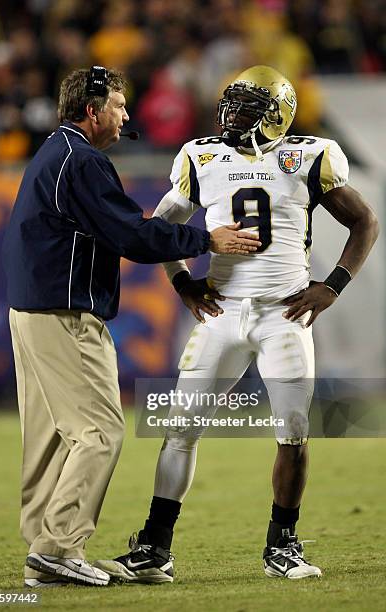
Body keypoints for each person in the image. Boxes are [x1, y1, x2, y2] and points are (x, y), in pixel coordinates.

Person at [95, 65, 379, 582]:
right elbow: (162, 228)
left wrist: (332, 285)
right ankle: (155, 549)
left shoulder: (310, 155)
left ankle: (282, 546)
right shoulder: (200, 155)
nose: (233, 115)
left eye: (248, 106)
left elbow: (365, 220)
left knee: (292, 433)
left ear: (278, 114)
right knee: (181, 428)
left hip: (284, 314)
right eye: (232, 104)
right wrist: (183, 284)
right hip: (223, 311)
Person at [2, 66, 260, 588]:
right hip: (65, 314)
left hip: (31, 311)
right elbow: (134, 236)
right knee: (99, 432)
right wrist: (207, 241)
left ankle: (43, 545)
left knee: (53, 436)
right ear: (92, 109)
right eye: (119, 106)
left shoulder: (55, 152)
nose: (126, 116)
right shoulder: (82, 160)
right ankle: (57, 548)